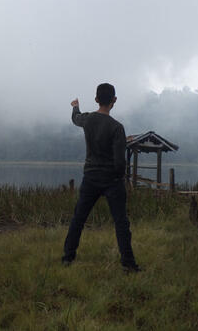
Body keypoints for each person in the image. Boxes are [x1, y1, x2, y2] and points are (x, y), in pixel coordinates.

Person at [62, 83, 140, 272]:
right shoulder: (117, 128)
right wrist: (120, 179)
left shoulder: (87, 120)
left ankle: (68, 258)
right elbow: (120, 162)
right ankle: (128, 264)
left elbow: (75, 119)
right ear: (114, 101)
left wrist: (75, 106)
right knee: (121, 222)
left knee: (78, 219)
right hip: (112, 180)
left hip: (90, 177)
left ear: (96, 99)